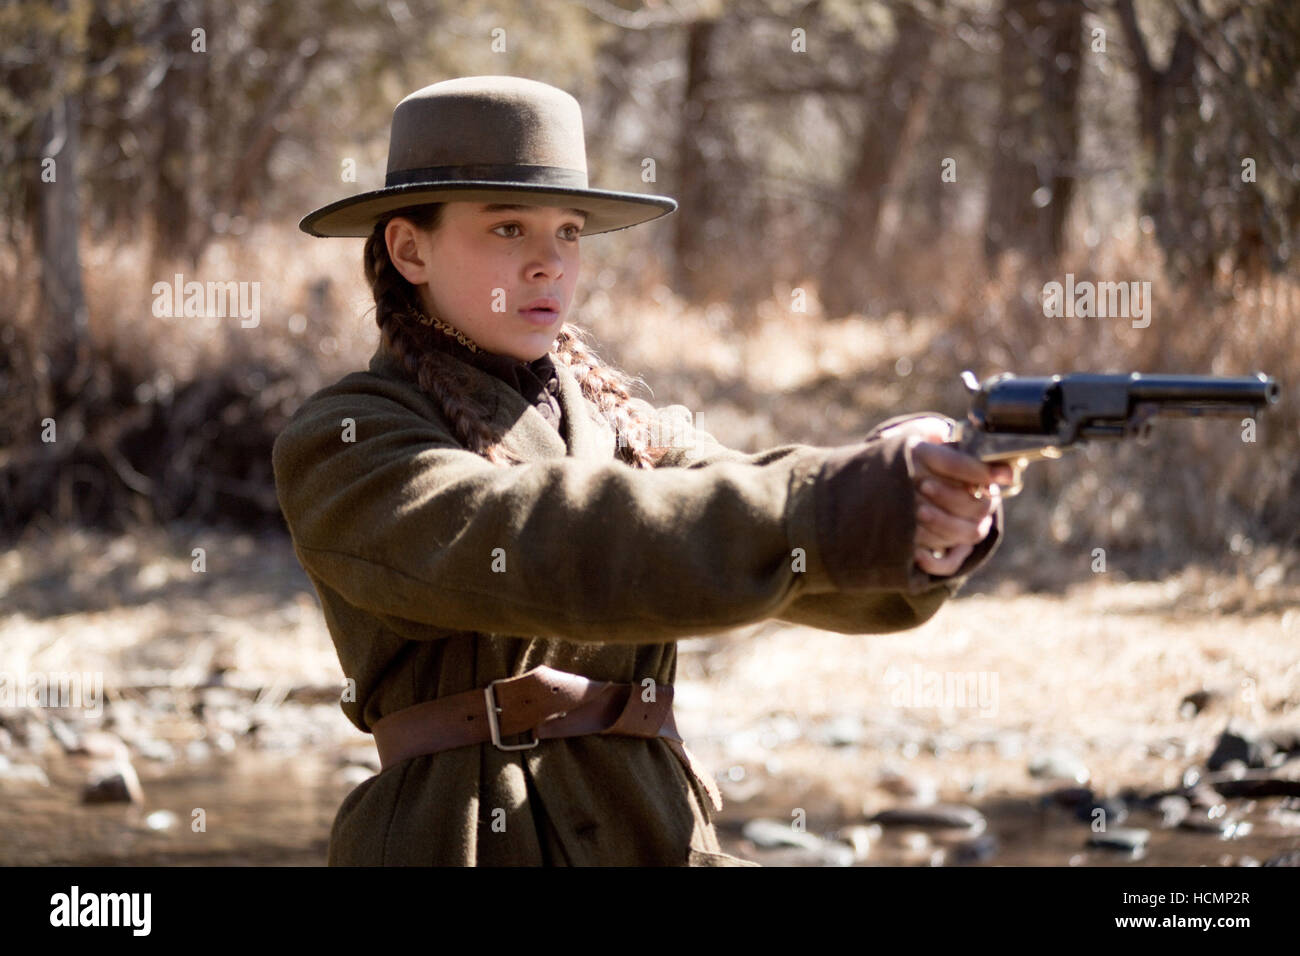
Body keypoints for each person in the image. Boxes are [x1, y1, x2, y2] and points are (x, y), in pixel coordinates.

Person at [272, 75, 1011, 866]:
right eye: (509, 229)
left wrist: (922, 519)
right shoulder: (346, 439)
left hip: (655, 829)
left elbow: (780, 531)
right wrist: (837, 500)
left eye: (569, 232)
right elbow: (549, 536)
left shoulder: (625, 423)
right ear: (409, 248)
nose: (549, 263)